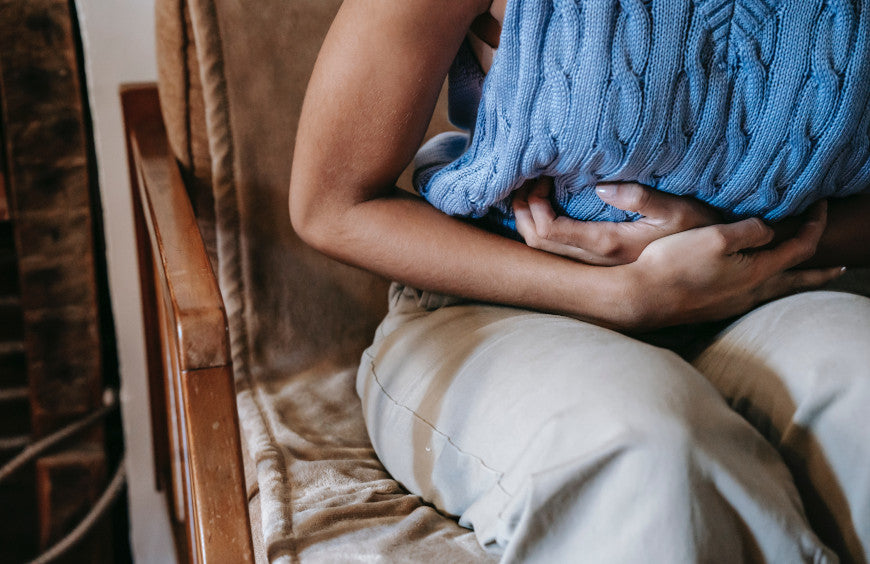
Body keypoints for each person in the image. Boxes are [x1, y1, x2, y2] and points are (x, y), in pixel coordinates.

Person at [288, 0, 870, 561]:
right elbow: (331, 205)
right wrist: (620, 297)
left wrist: (730, 237)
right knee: (649, 455)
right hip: (500, 307)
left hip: (768, 290)